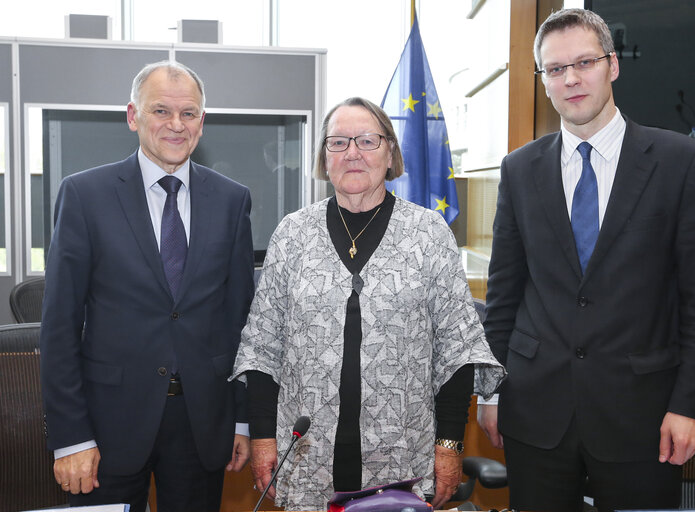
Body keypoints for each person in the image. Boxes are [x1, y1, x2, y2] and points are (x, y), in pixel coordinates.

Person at [477, 8, 695, 512]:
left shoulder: (679, 163)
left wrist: (688, 406)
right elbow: (503, 295)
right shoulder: (520, 169)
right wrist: (490, 392)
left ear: (613, 65)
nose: (570, 79)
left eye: (584, 62)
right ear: (543, 80)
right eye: (555, 69)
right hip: (536, 412)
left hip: (644, 418)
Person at [231, 97, 505, 511]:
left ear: (390, 151)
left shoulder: (428, 233)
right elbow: (263, 348)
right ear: (324, 157)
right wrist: (264, 437)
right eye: (338, 142)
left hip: (401, 457)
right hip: (308, 458)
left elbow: (457, 350)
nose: (352, 153)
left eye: (367, 140)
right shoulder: (292, 235)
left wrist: (449, 445)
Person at [40, 60, 255, 512]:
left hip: (201, 424)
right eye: (161, 111)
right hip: (107, 425)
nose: (176, 125)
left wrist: (239, 419)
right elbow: (59, 324)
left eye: (189, 113)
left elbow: (239, 321)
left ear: (202, 121)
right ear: (133, 116)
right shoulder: (84, 195)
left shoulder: (233, 200)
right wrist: (70, 437)